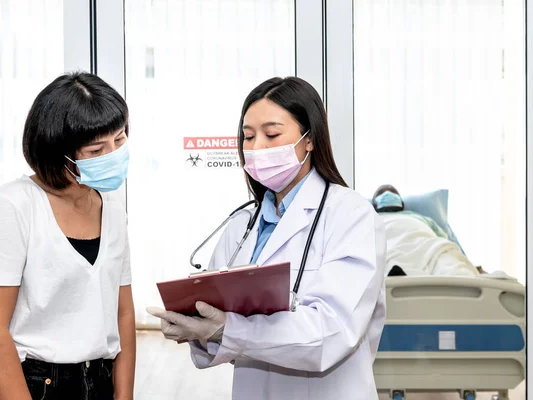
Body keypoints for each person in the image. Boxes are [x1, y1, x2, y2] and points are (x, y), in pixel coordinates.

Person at [148, 77, 387, 399]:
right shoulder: (243, 223)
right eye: (248, 136)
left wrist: (227, 329)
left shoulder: (350, 215)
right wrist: (195, 326)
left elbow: (333, 332)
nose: (256, 147)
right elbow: (221, 318)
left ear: (310, 139)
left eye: (272, 134)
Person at [0, 72, 136, 399]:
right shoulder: (12, 206)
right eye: (96, 149)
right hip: (26, 384)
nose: (114, 154)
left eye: (120, 139)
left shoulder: (112, 208)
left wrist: (123, 394)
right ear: (57, 153)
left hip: (97, 380)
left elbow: (123, 313)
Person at [372, 184, 478, 277]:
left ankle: (461, 278)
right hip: (388, 244)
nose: (387, 193)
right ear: (374, 204)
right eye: (382, 192)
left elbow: (445, 239)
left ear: (402, 203)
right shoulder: (371, 220)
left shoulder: (421, 218)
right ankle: (394, 276)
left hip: (427, 245)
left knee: (446, 261)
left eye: (392, 191)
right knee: (384, 260)